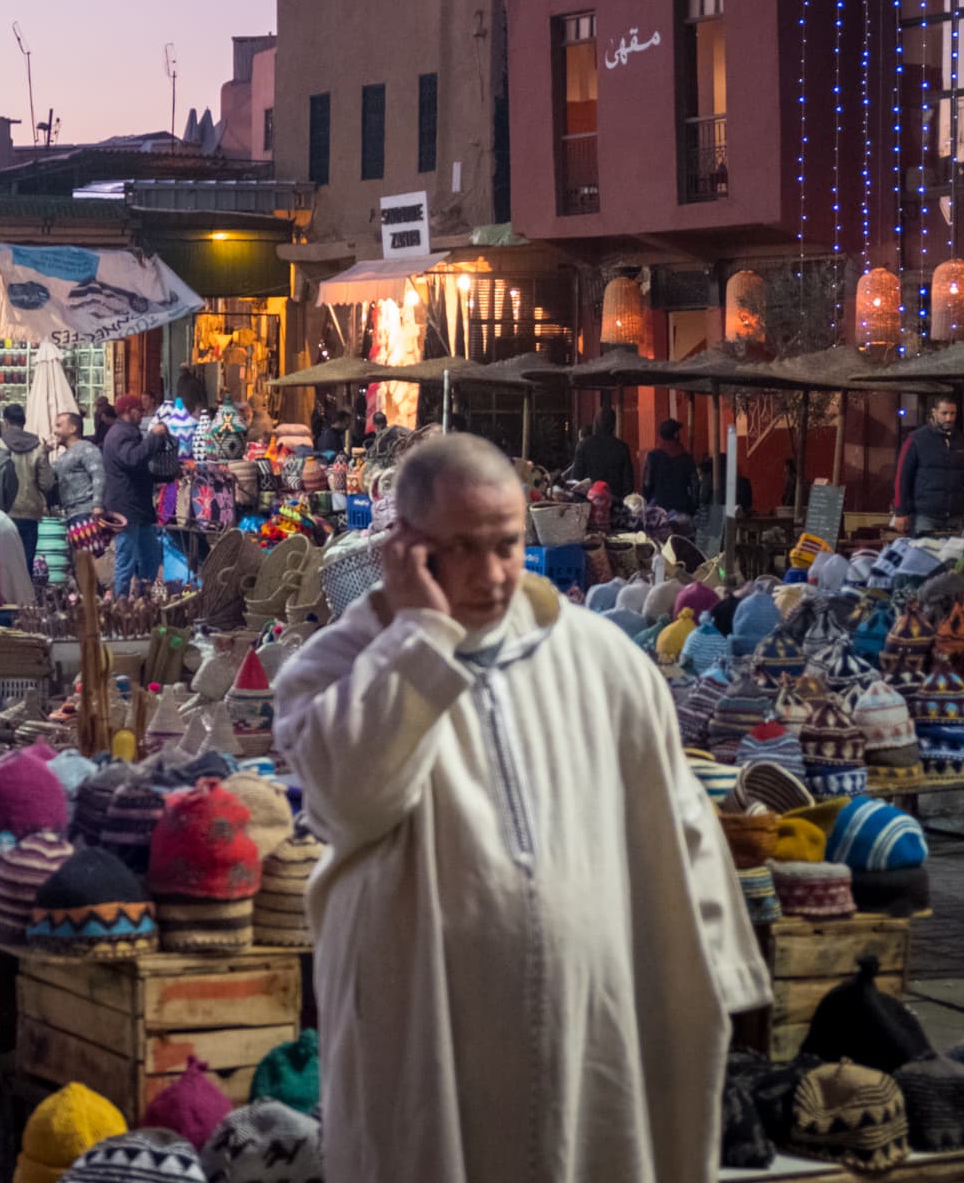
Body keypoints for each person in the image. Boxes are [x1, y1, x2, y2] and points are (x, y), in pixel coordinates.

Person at [271, 434, 767, 1180]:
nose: (495, 572)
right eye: (465, 547)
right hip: (424, 1037)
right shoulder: (334, 668)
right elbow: (351, 803)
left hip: (593, 1027)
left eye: (507, 543)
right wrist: (422, 638)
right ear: (406, 550)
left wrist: (720, 993)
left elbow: (679, 824)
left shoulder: (604, 662)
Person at [100, 394, 175, 597]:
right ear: (128, 411)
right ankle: (120, 605)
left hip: (138, 507)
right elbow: (133, 458)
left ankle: (143, 597)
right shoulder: (120, 435)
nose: (142, 414)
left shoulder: (126, 433)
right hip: (126, 508)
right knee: (126, 558)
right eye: (139, 410)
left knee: (150, 554)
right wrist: (154, 437)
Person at [892, 397, 964, 536]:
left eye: (953, 413)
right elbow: (902, 478)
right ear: (934, 412)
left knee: (955, 556)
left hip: (956, 515)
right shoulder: (916, 439)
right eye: (944, 413)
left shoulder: (963, 441)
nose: (949, 418)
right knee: (924, 556)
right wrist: (900, 512)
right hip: (925, 515)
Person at [0, 404, 57, 565]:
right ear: (24, 422)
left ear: (6, 422)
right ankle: (25, 590)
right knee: (26, 562)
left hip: (4, 512)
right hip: (30, 511)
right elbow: (47, 483)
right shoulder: (38, 447)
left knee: (6, 563)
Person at [565, 408, 634, 501]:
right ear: (613, 425)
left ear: (595, 424)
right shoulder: (622, 448)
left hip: (589, 503)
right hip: (614, 503)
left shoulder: (584, 445)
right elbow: (628, 482)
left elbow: (576, 480)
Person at [51, 411, 104, 516]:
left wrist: (97, 505)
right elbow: (49, 477)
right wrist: (44, 452)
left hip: (87, 512)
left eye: (59, 426)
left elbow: (99, 476)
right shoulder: (62, 457)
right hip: (71, 514)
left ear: (72, 429)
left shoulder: (86, 448)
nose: (55, 431)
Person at [641, 418, 699, 514]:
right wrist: (693, 506)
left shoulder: (653, 457)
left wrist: (647, 502)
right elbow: (695, 485)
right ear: (676, 435)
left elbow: (647, 483)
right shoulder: (686, 458)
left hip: (658, 509)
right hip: (682, 508)